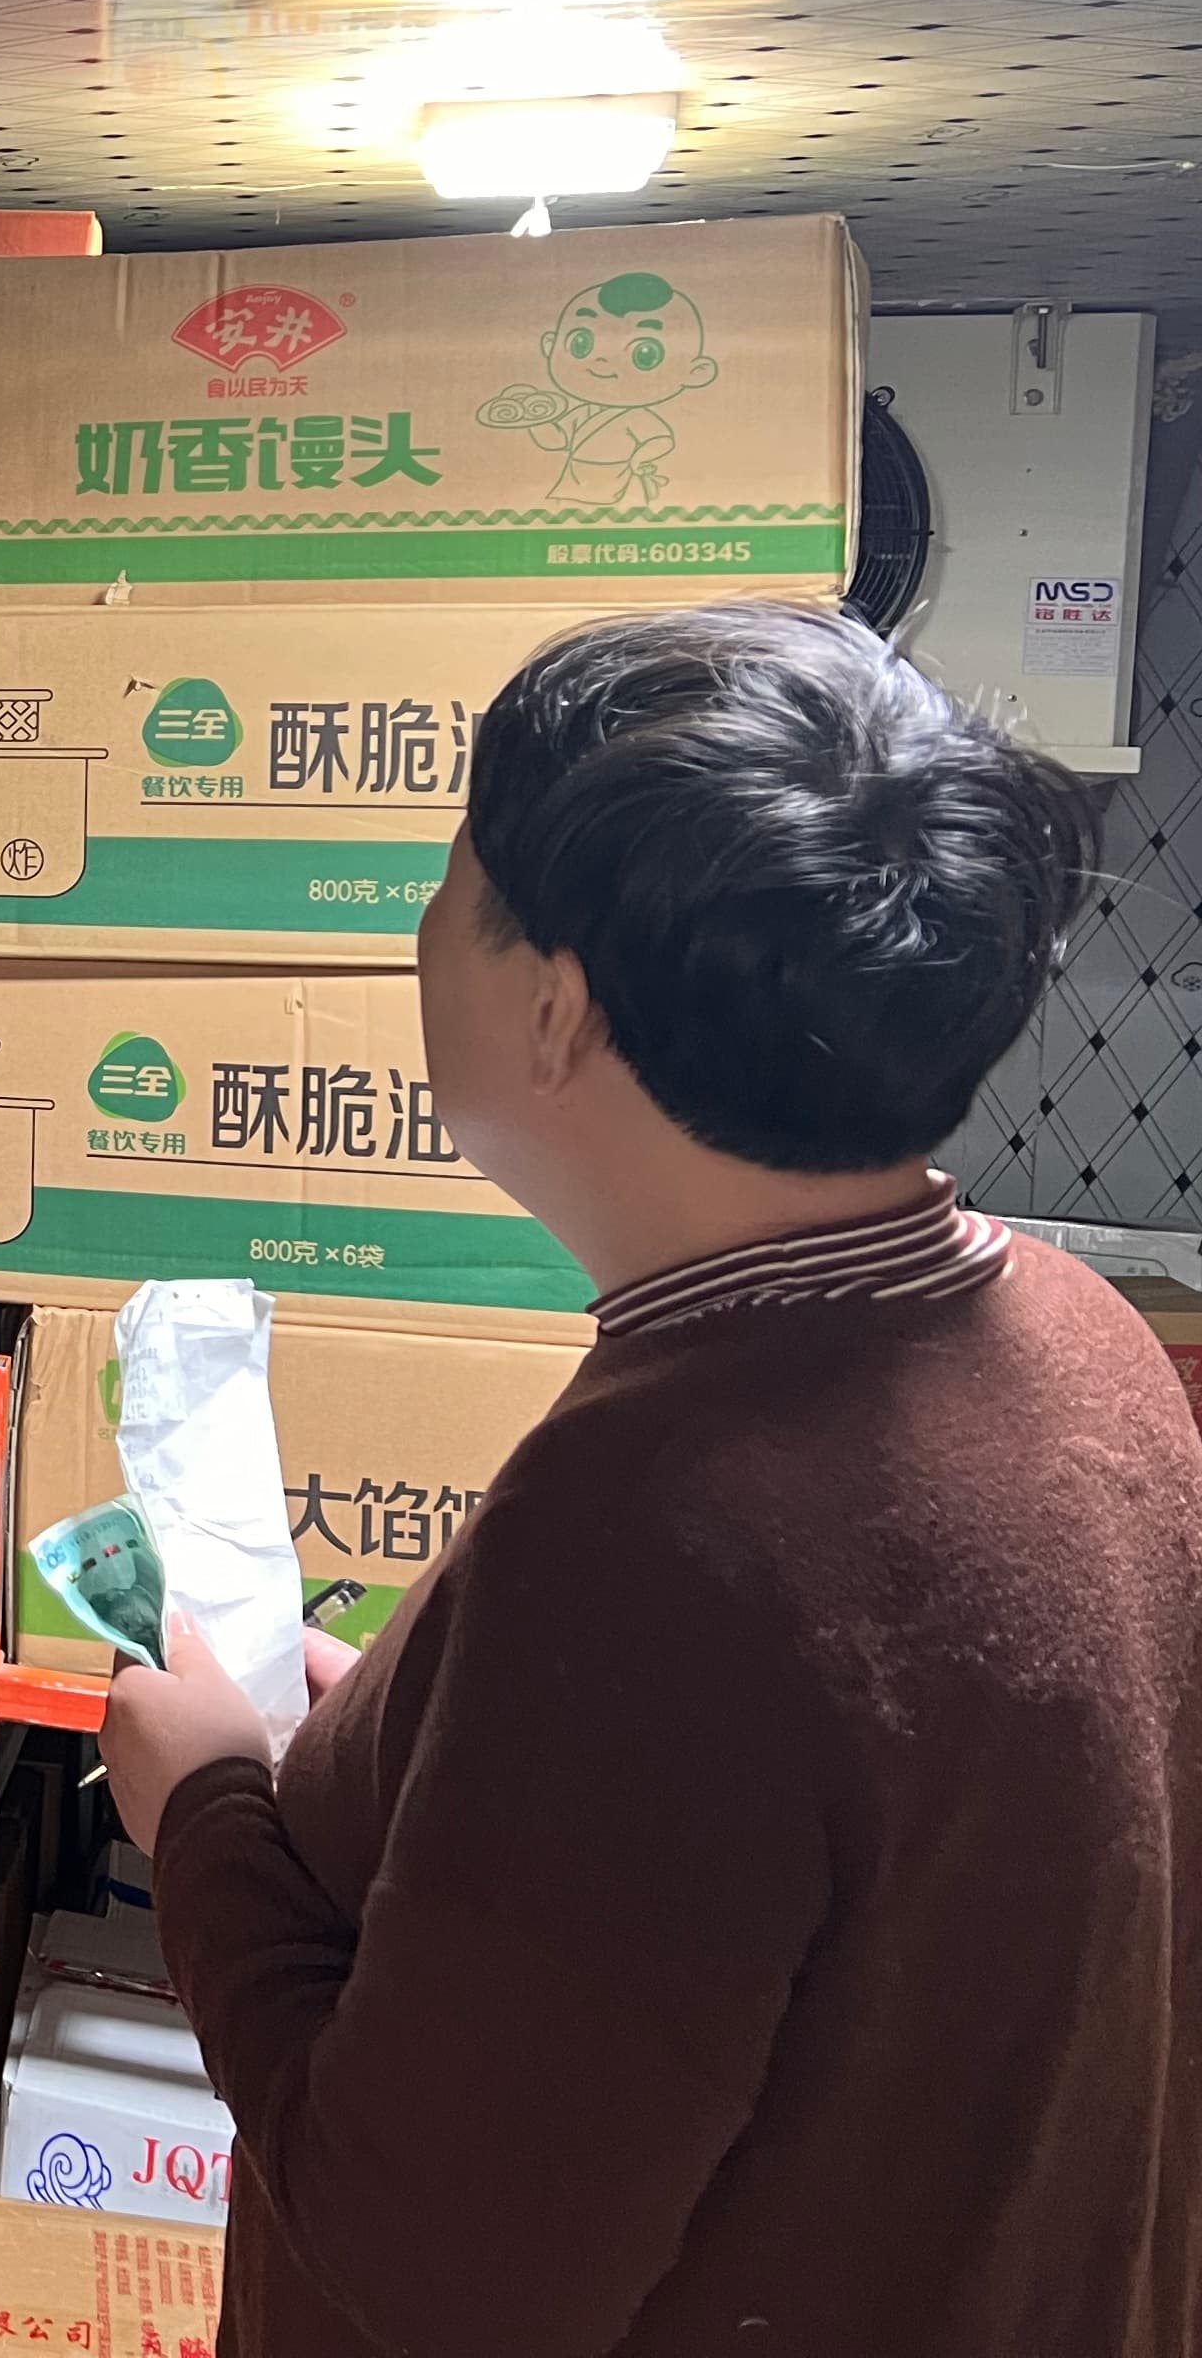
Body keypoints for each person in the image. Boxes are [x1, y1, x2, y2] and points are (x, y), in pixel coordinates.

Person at [99, 600, 1202, 2354]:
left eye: (452, 878)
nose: (419, 929)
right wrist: (402, 1734)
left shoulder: (670, 1536)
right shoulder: (1089, 1346)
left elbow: (435, 2269)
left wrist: (208, 1814)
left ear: (554, 1011)